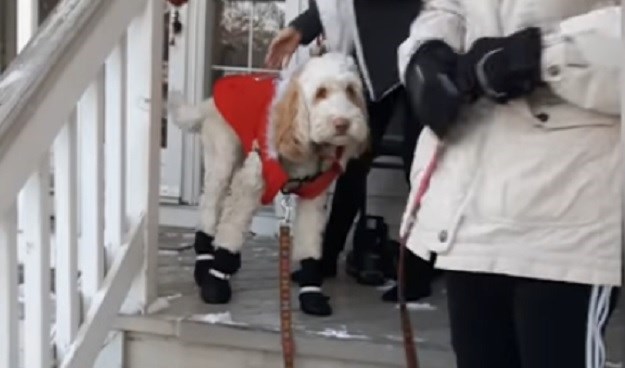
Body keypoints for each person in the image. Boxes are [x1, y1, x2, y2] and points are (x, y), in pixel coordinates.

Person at [399, 1, 621, 367]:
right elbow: (445, 8)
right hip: (469, 202)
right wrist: (426, 52)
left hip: (568, 204)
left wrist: (541, 54)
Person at [265, 0, 436, 303]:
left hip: (425, 49)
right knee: (351, 163)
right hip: (371, 60)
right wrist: (303, 27)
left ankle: (419, 269)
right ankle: (328, 255)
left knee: (420, 166)